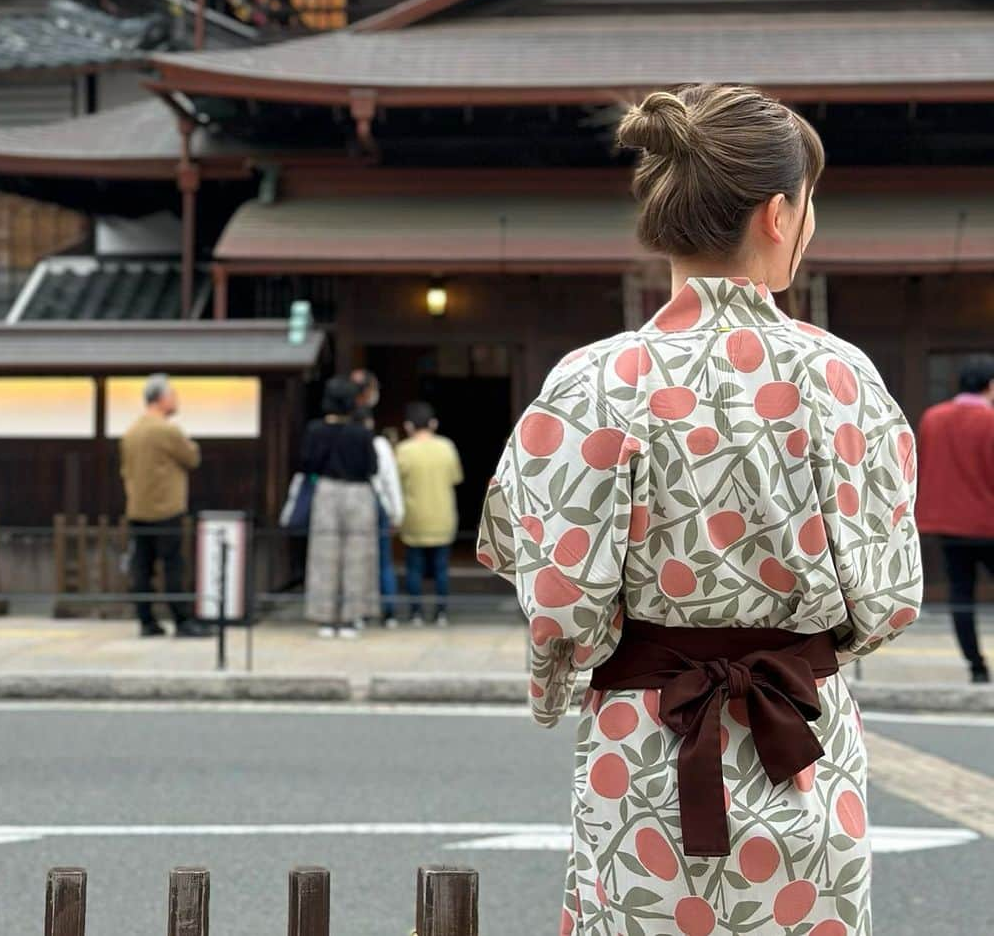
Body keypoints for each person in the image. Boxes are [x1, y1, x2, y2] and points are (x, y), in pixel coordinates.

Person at [478, 84, 923, 935]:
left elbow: (559, 597)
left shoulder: (594, 381)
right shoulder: (844, 379)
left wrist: (563, 674)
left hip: (644, 744)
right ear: (779, 213)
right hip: (803, 736)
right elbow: (889, 597)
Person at [917, 355, 994, 683]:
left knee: (961, 594)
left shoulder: (933, 418)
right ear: (990, 385)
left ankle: (975, 666)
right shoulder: (990, 421)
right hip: (988, 522)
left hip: (947, 523)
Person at [120, 373, 209, 639]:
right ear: (160, 399)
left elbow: (125, 470)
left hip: (137, 507)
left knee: (142, 567)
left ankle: (146, 620)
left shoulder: (131, 431)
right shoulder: (167, 430)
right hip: (166, 508)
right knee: (173, 566)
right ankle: (182, 620)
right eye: (172, 395)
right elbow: (192, 457)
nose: (176, 400)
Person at [300, 376, 379, 638]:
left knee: (324, 554)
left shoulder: (315, 430)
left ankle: (325, 618)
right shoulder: (362, 432)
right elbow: (372, 468)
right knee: (357, 555)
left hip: (326, 491)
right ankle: (352, 617)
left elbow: (308, 464)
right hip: (358, 492)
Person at [396, 402, 463, 627]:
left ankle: (416, 613)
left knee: (414, 566)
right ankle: (442, 613)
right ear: (433, 424)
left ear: (408, 426)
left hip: (414, 516)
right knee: (441, 567)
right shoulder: (447, 447)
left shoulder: (403, 450)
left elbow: (396, 482)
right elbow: (456, 477)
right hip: (442, 515)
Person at [352, 369, 405, 628]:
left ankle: (359, 613)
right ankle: (389, 612)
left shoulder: (348, 442)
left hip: (356, 505)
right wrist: (397, 512)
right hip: (378, 504)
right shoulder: (380, 446)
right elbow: (390, 482)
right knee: (383, 561)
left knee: (358, 561)